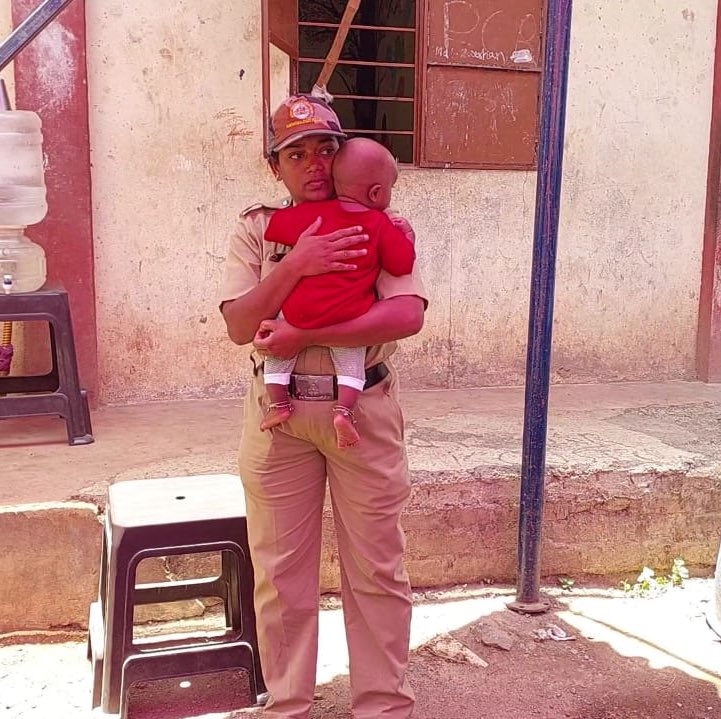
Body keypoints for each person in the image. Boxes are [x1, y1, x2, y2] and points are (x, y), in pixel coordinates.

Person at [219, 94, 427, 719]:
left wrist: (305, 334)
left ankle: (384, 707)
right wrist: (298, 264)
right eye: (296, 153)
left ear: (341, 156)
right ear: (276, 167)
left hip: (361, 412)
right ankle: (289, 707)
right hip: (277, 419)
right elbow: (238, 324)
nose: (313, 162)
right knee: (280, 577)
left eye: (325, 148)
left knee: (377, 570)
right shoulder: (258, 229)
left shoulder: (375, 219)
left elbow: (406, 313)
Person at [261, 136, 416, 448]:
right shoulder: (380, 224)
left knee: (275, 353)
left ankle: (278, 404)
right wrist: (406, 235)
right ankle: (344, 412)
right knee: (351, 362)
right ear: (376, 192)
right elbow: (402, 264)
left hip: (297, 313)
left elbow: (274, 227)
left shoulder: (315, 215)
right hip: (347, 315)